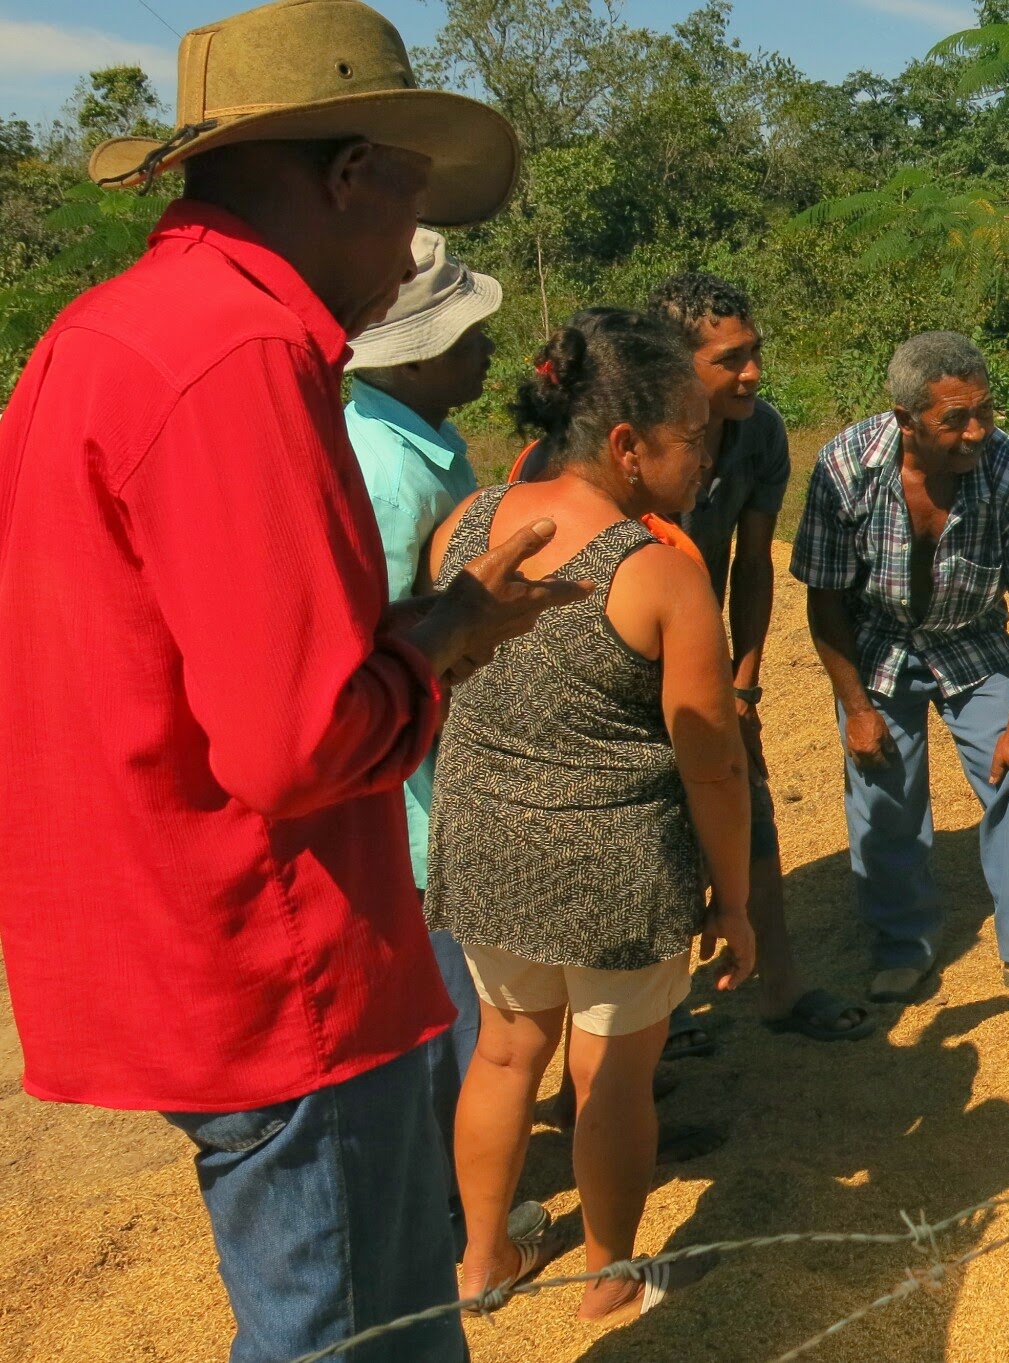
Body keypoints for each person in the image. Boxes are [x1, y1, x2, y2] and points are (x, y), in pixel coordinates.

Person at [0, 2, 563, 1359]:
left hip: (165, 923)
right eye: (411, 203)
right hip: (274, 949)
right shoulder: (241, 354)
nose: (412, 252)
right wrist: (448, 633)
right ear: (351, 174)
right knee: (354, 1330)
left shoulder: (106, 332)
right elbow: (295, 744)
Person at [429, 309, 756, 1322]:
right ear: (626, 444)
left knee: (501, 1050)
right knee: (612, 1068)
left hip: (484, 848)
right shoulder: (659, 574)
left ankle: (482, 1259)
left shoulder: (470, 520)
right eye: (691, 436)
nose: (706, 457)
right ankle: (607, 1271)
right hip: (614, 868)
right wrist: (734, 899)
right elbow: (714, 766)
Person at [342, 225, 550, 1252]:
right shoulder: (388, 473)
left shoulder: (416, 437)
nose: (486, 351)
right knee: (452, 1011)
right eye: (467, 338)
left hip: (436, 768)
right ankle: (464, 1217)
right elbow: (377, 645)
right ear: (413, 359)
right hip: (419, 789)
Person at [793, 331, 1009, 1003]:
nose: (976, 431)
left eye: (984, 410)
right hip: (877, 641)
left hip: (971, 637)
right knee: (883, 790)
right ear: (907, 420)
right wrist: (858, 709)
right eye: (955, 419)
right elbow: (825, 599)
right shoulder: (845, 467)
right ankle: (904, 945)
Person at [642, 273, 876, 1047]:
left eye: (755, 353)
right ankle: (659, 1015)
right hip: (630, 660)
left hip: (705, 656)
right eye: (730, 360)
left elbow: (752, 563)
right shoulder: (636, 439)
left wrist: (743, 686)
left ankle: (780, 987)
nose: (752, 373)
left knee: (751, 804)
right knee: (649, 830)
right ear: (675, 365)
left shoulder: (761, 433)